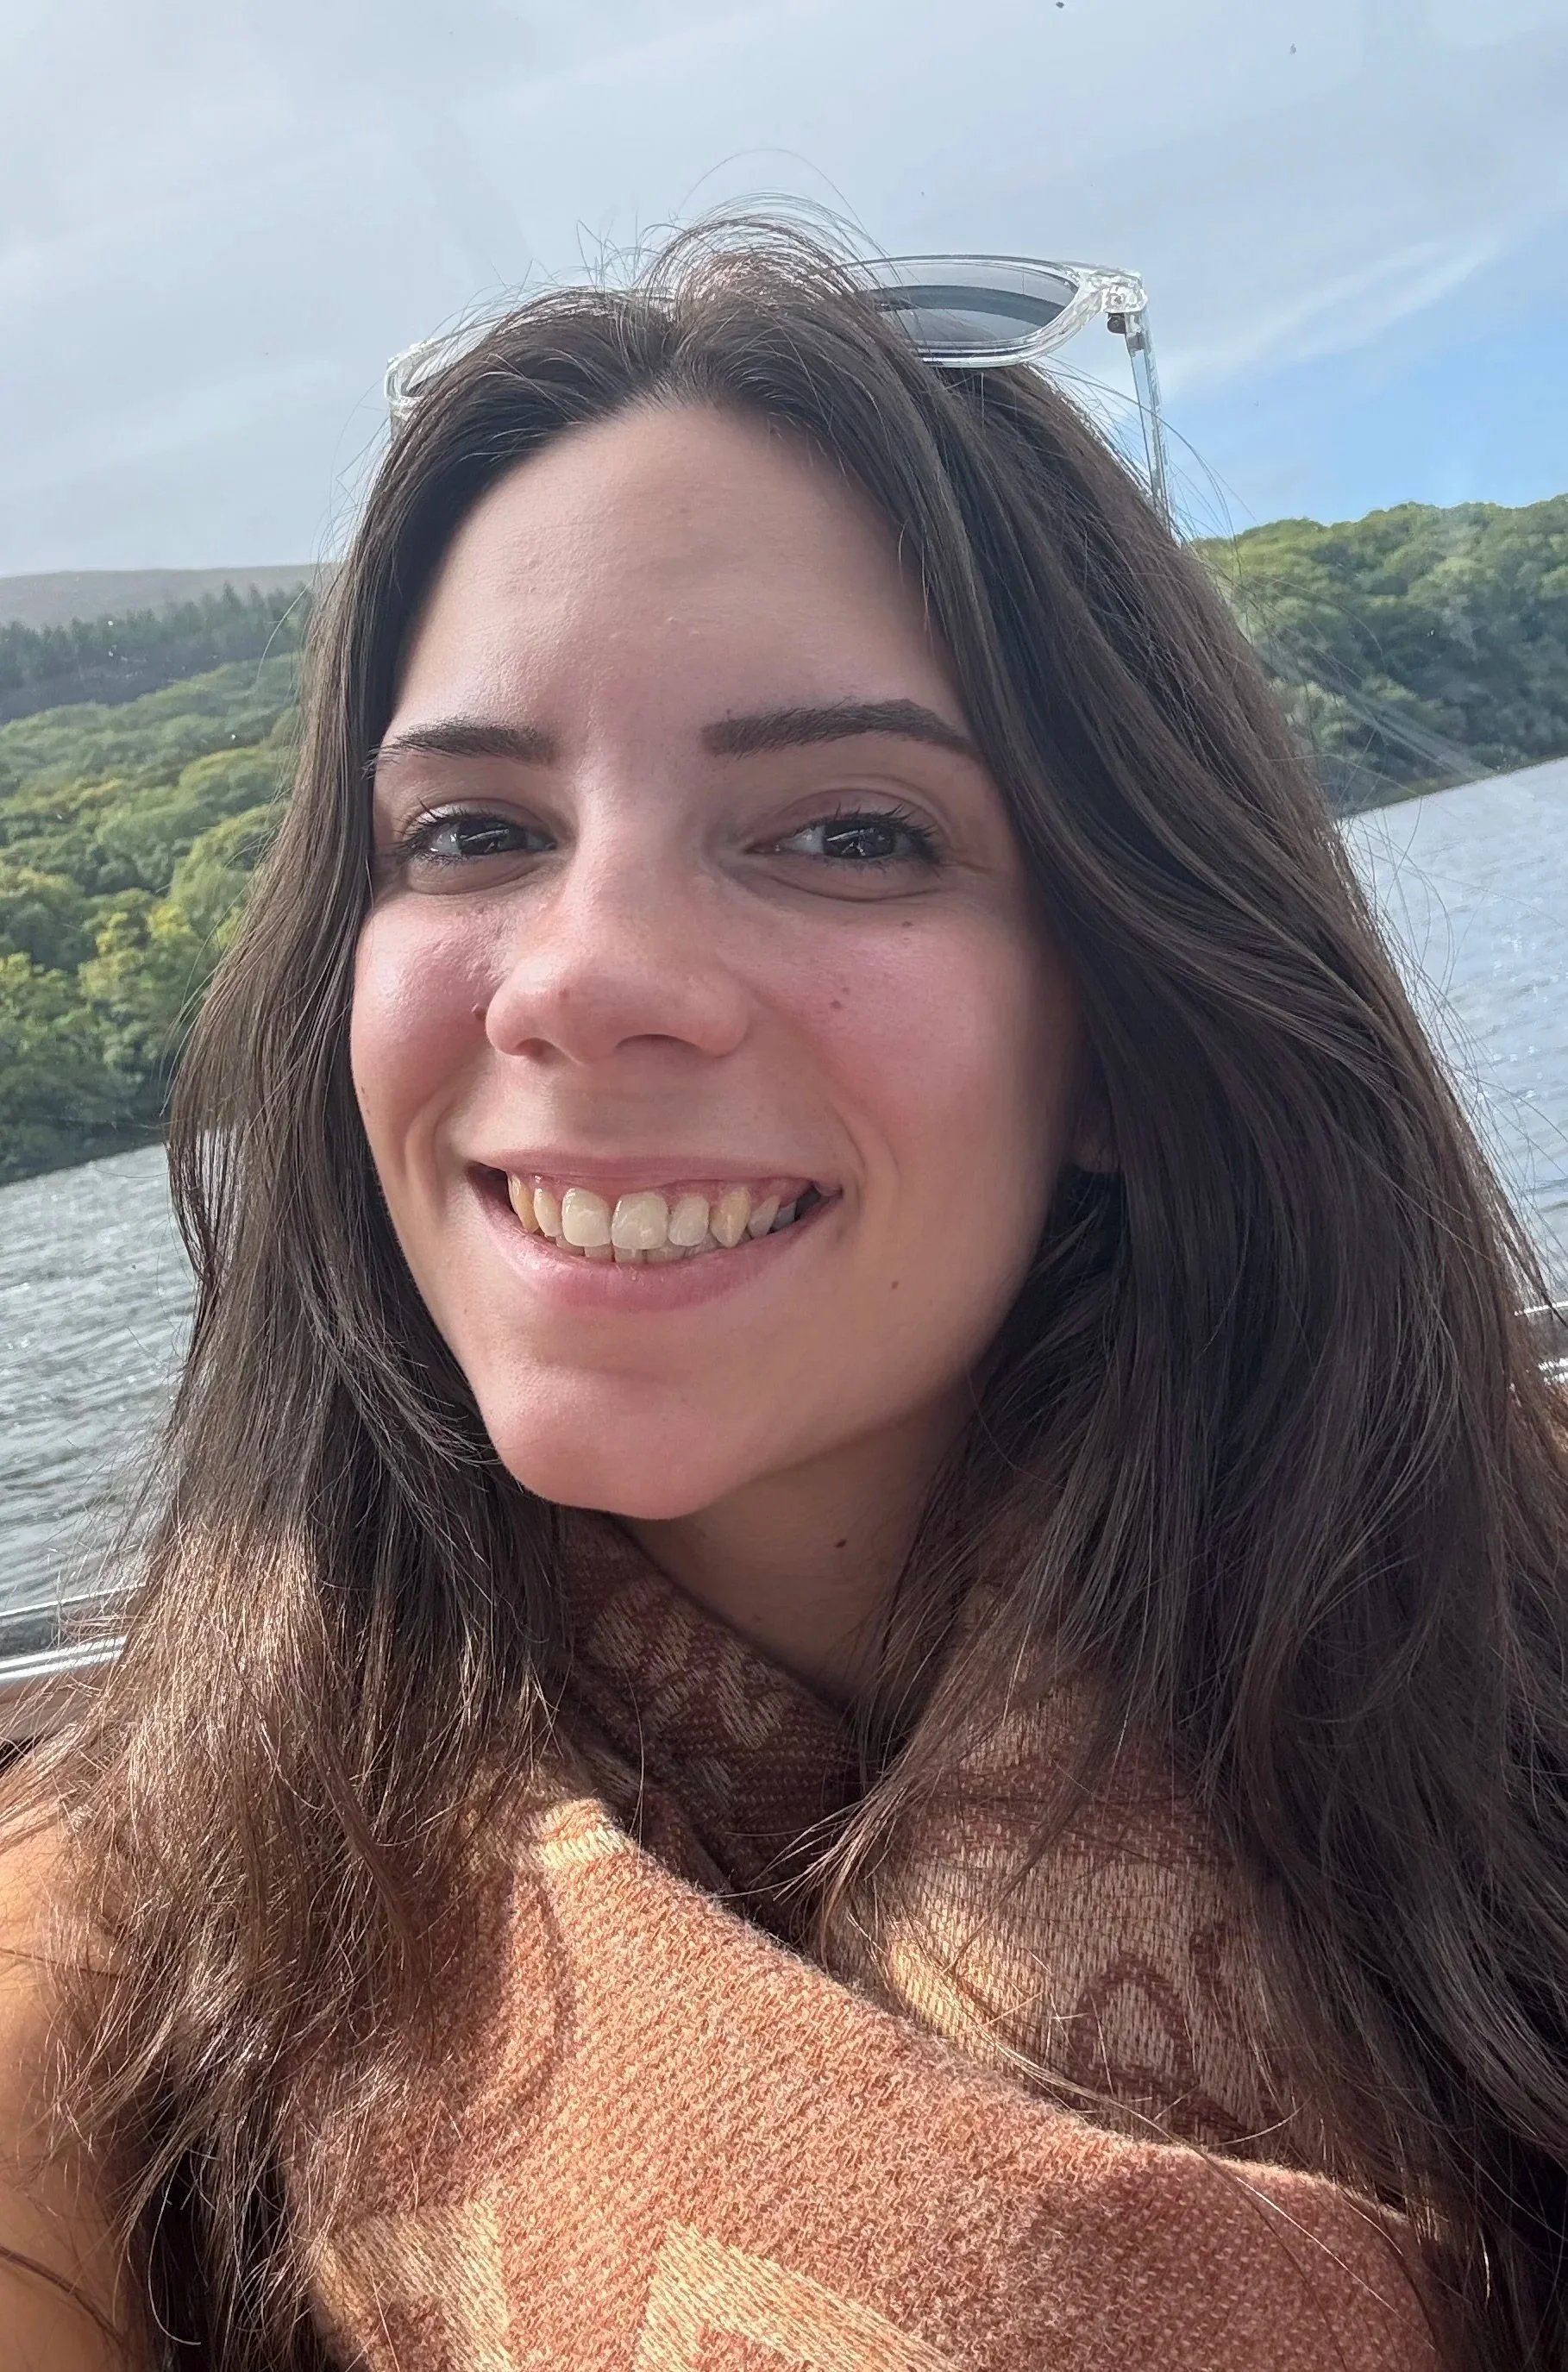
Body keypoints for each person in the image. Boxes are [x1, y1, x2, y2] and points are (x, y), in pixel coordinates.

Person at [3, 221, 1565, 2372]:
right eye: (468, 832)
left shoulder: (1513, 1686)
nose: (581, 977)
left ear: (1125, 1032)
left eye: (848, 833)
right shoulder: (110, 2007)